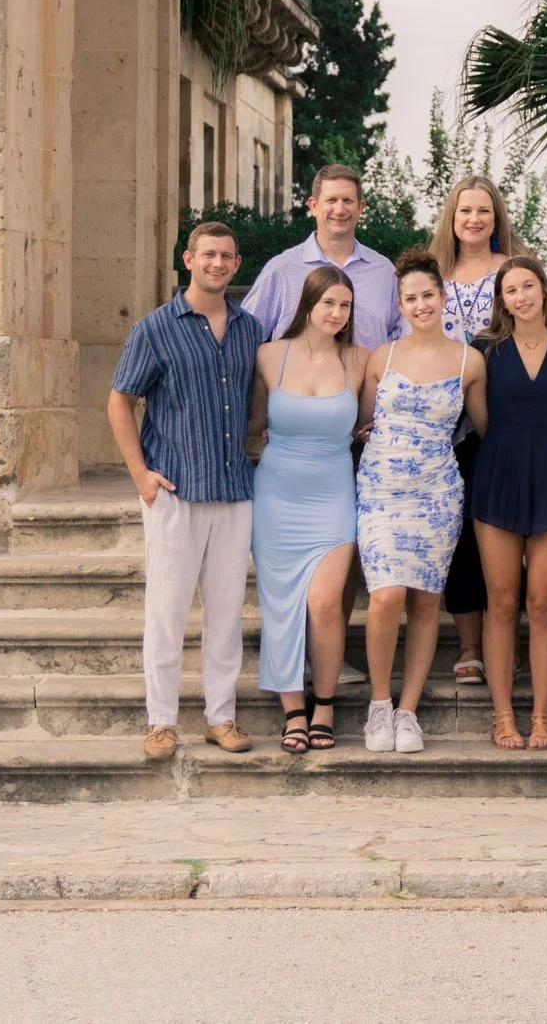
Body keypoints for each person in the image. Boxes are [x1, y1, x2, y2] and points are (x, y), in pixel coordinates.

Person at [106, 219, 261, 762]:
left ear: (237, 265)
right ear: (188, 259)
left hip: (234, 489)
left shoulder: (250, 328)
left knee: (226, 612)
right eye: (208, 255)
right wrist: (141, 475)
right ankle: (161, 722)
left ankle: (221, 717)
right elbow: (119, 401)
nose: (218, 263)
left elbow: (256, 400)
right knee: (167, 612)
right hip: (174, 487)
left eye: (227, 256)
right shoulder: (156, 328)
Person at [355, 246, 489, 753]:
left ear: (443, 296)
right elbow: (363, 423)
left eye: (428, 294)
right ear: (401, 304)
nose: (420, 304)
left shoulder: (468, 360)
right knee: (387, 596)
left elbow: (481, 428)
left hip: (437, 491)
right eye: (409, 298)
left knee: (427, 601)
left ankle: (409, 710)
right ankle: (379, 704)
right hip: (382, 487)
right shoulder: (380, 357)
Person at [471, 255, 547, 751]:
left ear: (544, 290)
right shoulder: (484, 350)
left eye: (529, 286)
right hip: (497, 475)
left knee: (543, 602)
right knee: (501, 602)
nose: (521, 296)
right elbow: (479, 420)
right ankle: (502, 717)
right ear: (502, 299)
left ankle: (541, 716)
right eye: (510, 289)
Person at [249, 263, 364, 753]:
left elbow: (373, 424)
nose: (337, 314)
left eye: (345, 306)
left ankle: (325, 704)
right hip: (276, 494)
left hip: (335, 491)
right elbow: (253, 425)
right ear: (308, 305)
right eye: (328, 304)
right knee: (281, 606)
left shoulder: (360, 360)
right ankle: (293, 710)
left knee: (324, 603)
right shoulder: (269, 356)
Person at [428, 173, 521, 684]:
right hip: (445, 428)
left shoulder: (515, 270)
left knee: (507, 533)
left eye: (484, 210)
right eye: (465, 211)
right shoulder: (433, 274)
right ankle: (469, 645)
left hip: (503, 418)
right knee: (460, 535)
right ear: (452, 217)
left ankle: (507, 639)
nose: (474, 219)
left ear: (496, 217)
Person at [243, 163, 403, 352]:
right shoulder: (282, 269)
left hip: (368, 381)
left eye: (348, 201)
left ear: (361, 208)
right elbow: (244, 337)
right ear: (313, 205)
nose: (340, 209)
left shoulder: (384, 272)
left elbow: (403, 341)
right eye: (331, 200)